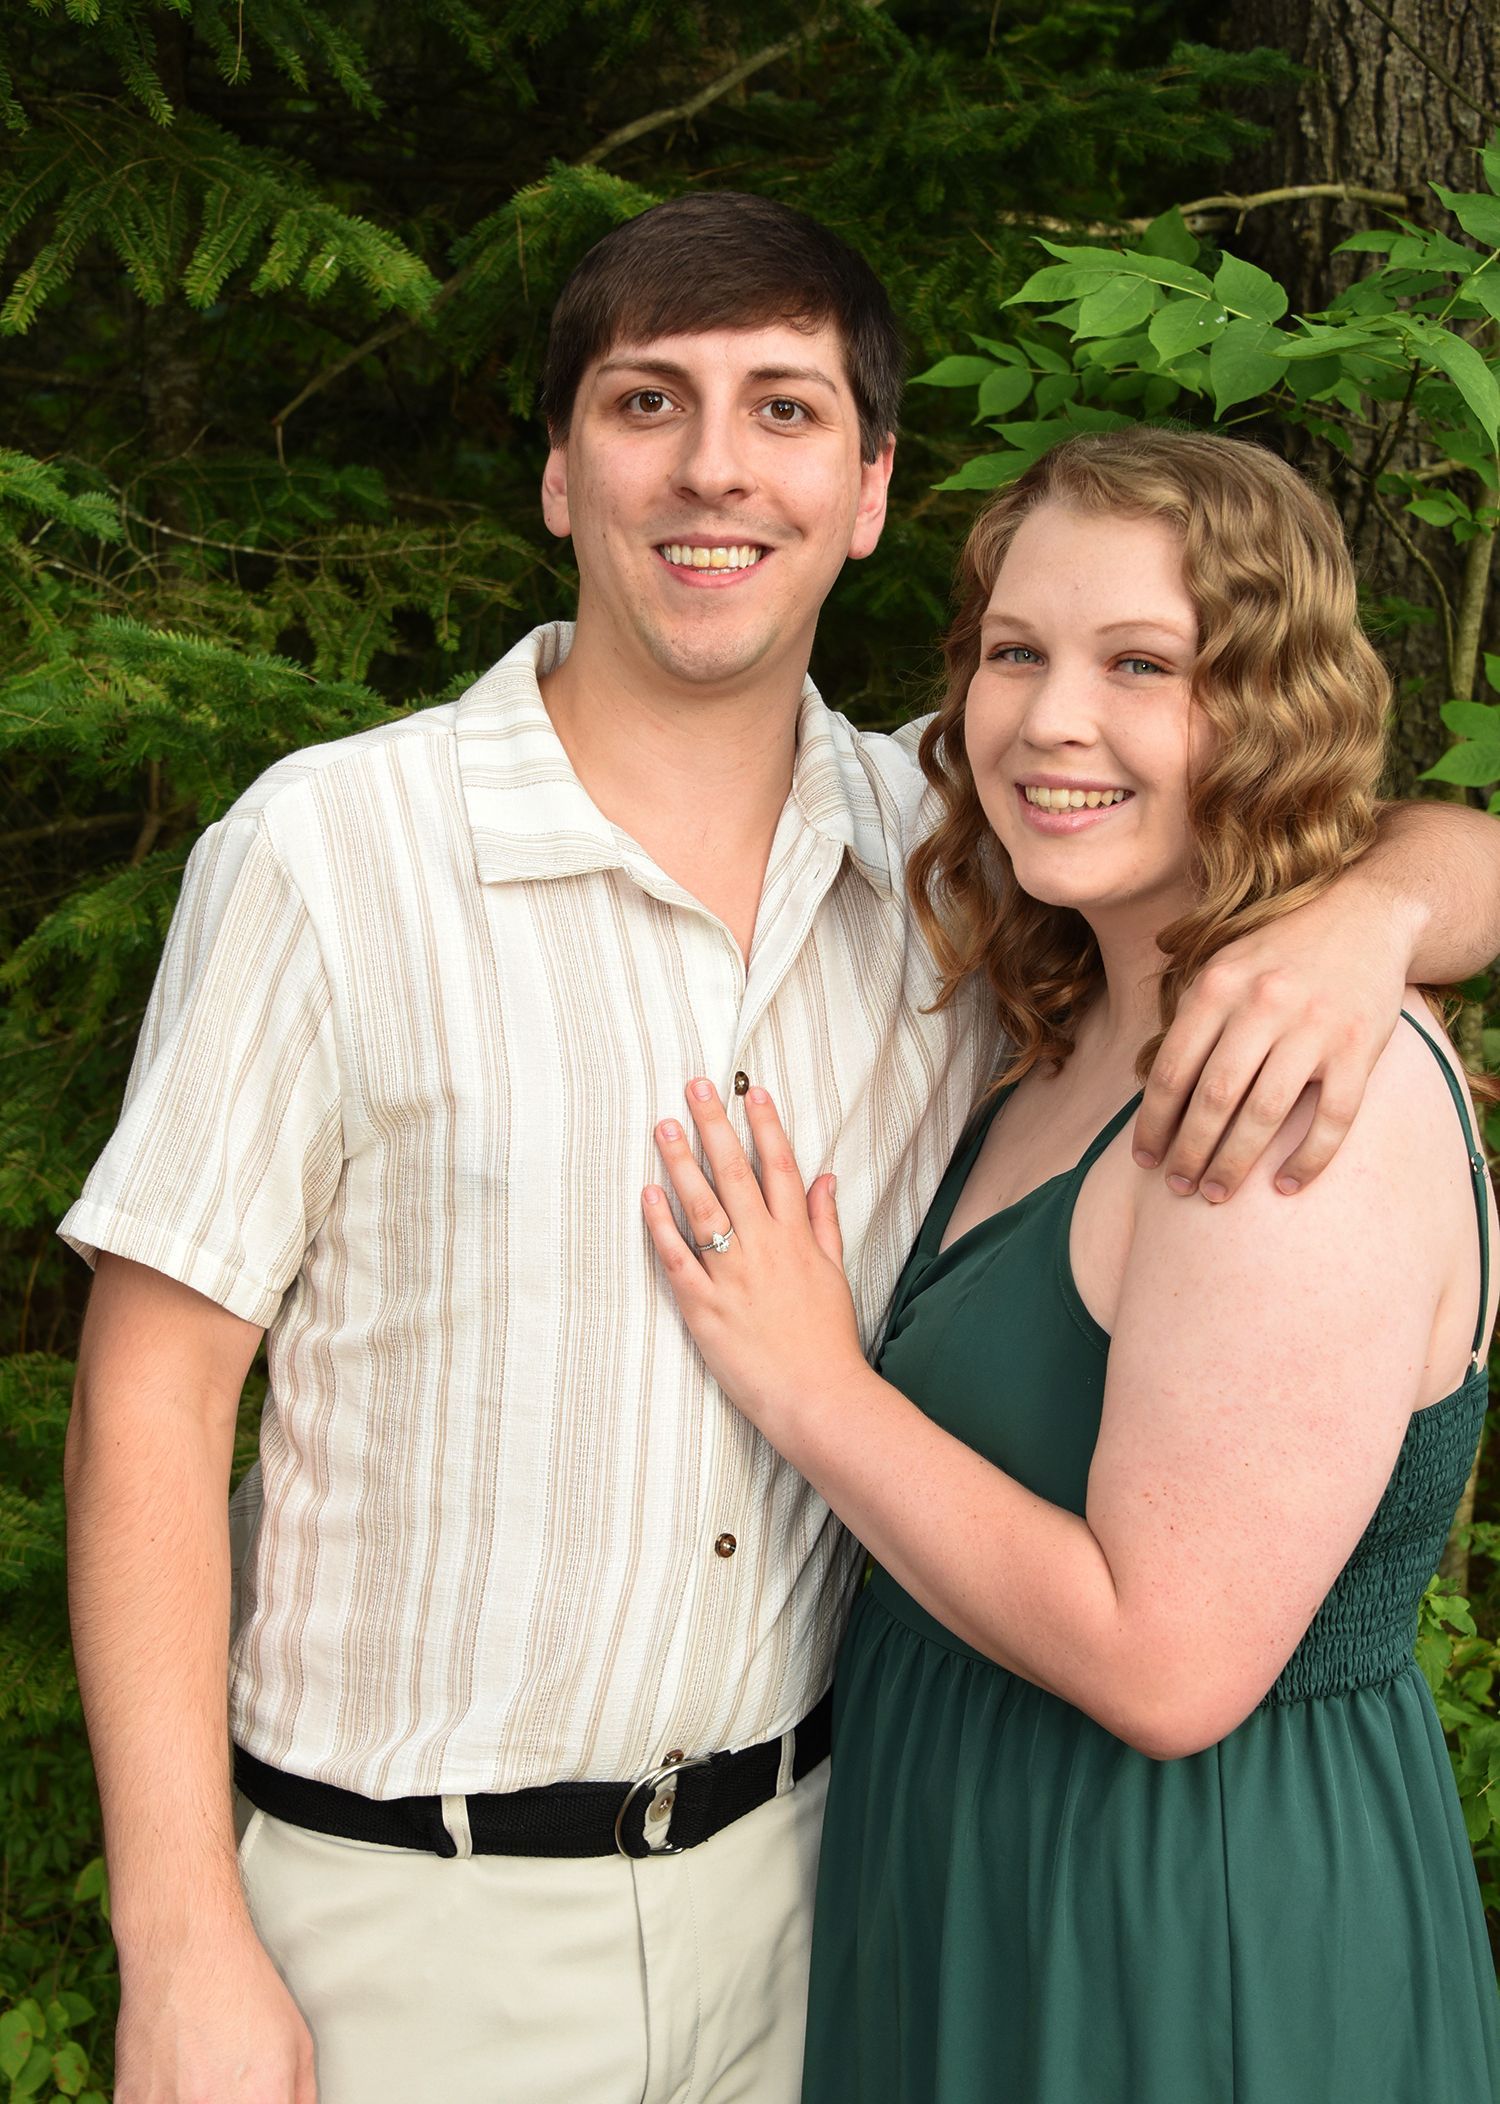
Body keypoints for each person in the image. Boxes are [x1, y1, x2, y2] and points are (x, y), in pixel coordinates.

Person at [60, 196, 1500, 2104]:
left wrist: (1370, 916)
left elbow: (1386, 842)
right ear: (560, 473)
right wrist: (178, 1938)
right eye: (646, 402)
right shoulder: (333, 857)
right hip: (419, 1931)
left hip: (814, 1907)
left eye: (787, 409)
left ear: (870, 487)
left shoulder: (947, 867)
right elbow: (151, 1402)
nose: (715, 469)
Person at [642, 426, 1500, 2104]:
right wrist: (1385, 903)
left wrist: (810, 1387)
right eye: (1017, 653)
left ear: (1273, 710)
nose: (1052, 719)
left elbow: (1168, 1666)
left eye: (1144, 665)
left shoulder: (1289, 1083)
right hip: (974, 1874)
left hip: (1181, 1923)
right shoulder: (1067, 1017)